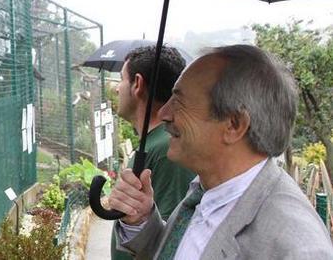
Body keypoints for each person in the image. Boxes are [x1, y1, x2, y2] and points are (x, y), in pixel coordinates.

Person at [110, 45, 333, 259]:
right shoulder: (207, 190)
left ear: (234, 125)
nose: (166, 113)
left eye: (179, 101)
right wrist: (141, 220)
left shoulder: (297, 249)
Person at [111, 46, 195, 260]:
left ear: (137, 84)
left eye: (122, 79)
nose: (116, 89)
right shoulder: (153, 145)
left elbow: (170, 240)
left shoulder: (168, 149)